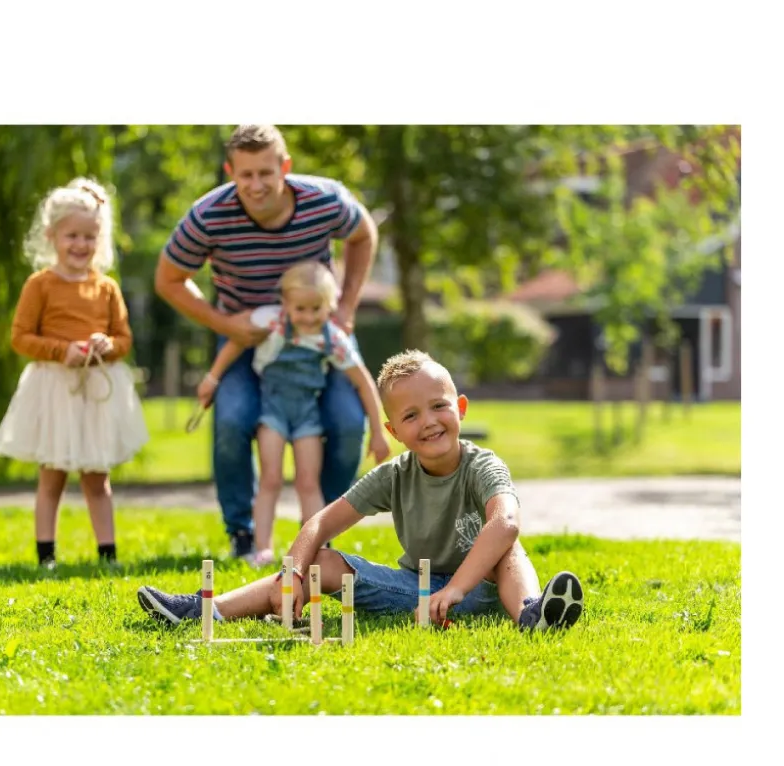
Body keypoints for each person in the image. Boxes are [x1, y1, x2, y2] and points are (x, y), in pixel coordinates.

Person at [136, 350, 584, 632]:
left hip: (486, 589)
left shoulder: (481, 464)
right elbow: (321, 522)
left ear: (460, 409)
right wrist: (293, 575)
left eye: (439, 407)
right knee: (323, 561)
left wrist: (457, 590)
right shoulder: (394, 474)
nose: (428, 421)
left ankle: (531, 613)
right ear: (392, 430)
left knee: (507, 549)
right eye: (410, 416)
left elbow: (505, 522)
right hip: (418, 591)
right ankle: (206, 609)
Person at [155, 124, 379, 560]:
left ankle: (321, 533)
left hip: (315, 340)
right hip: (245, 339)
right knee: (233, 421)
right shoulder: (208, 215)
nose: (256, 185)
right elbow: (168, 279)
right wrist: (225, 324)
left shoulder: (324, 200)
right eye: (245, 175)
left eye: (265, 173)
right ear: (230, 172)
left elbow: (364, 233)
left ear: (285, 167)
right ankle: (244, 535)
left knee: (351, 422)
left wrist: (347, 306)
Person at [0, 177, 149, 571]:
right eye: (72, 236)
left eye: (89, 237)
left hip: (96, 389)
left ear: (101, 238)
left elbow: (123, 338)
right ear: (52, 236)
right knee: (53, 474)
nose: (81, 245)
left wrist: (105, 345)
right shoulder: (40, 285)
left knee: (97, 476)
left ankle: (107, 555)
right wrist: (63, 351)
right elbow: (21, 337)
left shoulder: (107, 288)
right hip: (55, 387)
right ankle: (46, 556)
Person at [197, 261, 390, 567]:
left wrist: (378, 432)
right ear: (284, 303)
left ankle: (314, 546)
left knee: (308, 483)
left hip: (307, 417)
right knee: (271, 479)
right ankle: (262, 548)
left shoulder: (333, 338)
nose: (309, 317)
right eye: (300, 308)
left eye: (317, 309)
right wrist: (212, 378)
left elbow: (364, 382)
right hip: (272, 413)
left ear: (329, 306)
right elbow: (235, 342)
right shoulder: (271, 321)